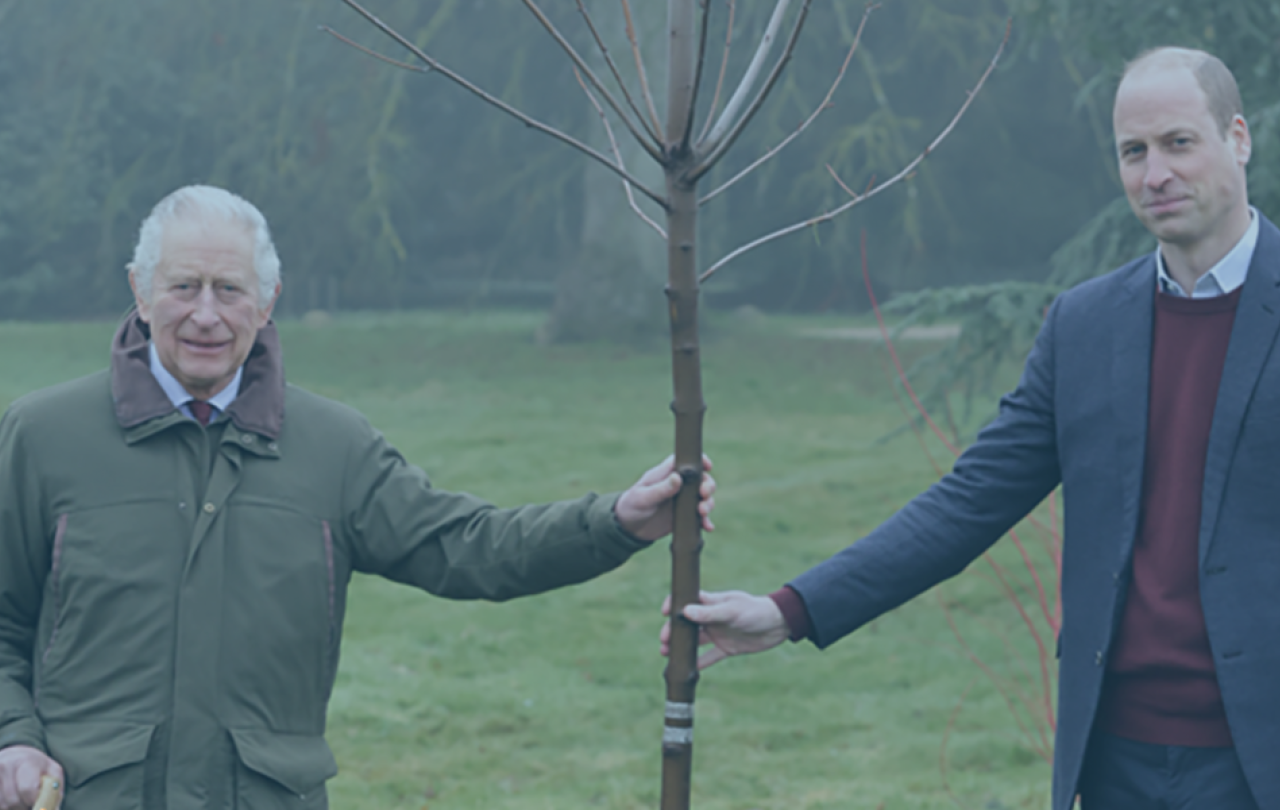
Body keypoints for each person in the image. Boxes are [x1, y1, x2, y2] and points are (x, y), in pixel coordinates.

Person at [663, 47, 1277, 810]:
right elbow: (968, 503)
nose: (1155, 174)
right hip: (1113, 760)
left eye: (1179, 143)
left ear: (1239, 138)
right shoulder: (1084, 328)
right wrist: (790, 610)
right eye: (1133, 151)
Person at [0, 184, 715, 810]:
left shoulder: (333, 447)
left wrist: (613, 522)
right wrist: (13, 739)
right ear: (140, 288)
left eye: (231, 289)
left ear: (270, 300)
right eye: (184, 287)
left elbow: (465, 546)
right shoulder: (43, 435)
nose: (207, 315)